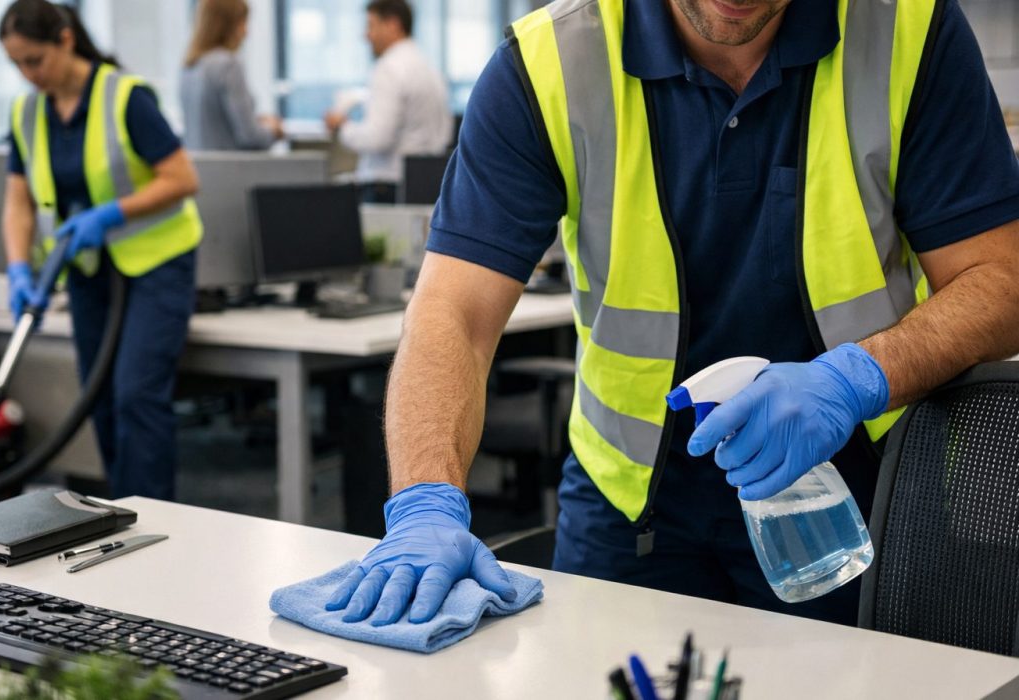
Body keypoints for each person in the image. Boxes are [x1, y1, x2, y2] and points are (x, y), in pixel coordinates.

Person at [325, 0, 1019, 628]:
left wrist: (855, 377)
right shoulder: (551, 63)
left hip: (851, 497)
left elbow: (1002, 281)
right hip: (631, 506)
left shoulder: (906, 32)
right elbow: (454, 312)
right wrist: (424, 501)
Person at [0, 0, 203, 501]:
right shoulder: (27, 112)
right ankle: (120, 512)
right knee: (102, 400)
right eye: (18, 64)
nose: (29, 75)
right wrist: (19, 268)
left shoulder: (124, 96)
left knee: (136, 394)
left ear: (65, 39)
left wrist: (110, 214)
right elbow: (17, 201)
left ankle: (154, 522)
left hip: (157, 262)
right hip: (89, 270)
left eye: (35, 60)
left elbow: (182, 178)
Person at [323, 0, 452, 203]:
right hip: (427, 185)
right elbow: (445, 131)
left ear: (393, 24)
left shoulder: (388, 68)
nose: (366, 36)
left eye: (371, 26)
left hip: (387, 187)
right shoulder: (429, 68)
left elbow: (377, 138)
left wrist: (342, 127)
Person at [180, 0, 283, 151]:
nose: (246, 32)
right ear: (227, 25)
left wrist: (256, 120)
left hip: (199, 169)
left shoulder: (190, 66)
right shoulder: (228, 65)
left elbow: (212, 124)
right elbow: (250, 137)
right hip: (231, 171)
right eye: (242, 23)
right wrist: (274, 130)